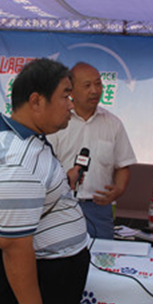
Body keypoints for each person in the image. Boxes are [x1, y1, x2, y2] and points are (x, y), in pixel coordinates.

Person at [0, 58, 90, 304]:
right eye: (65, 96)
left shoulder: (29, 140)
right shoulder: (17, 161)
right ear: (37, 101)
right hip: (43, 278)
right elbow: (15, 246)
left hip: (52, 271)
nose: (71, 105)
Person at [47, 62, 136, 239]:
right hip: (60, 206)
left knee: (101, 254)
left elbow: (123, 166)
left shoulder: (113, 124)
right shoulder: (56, 123)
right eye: (87, 86)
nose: (95, 90)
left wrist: (118, 189)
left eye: (98, 84)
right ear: (71, 91)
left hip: (98, 209)